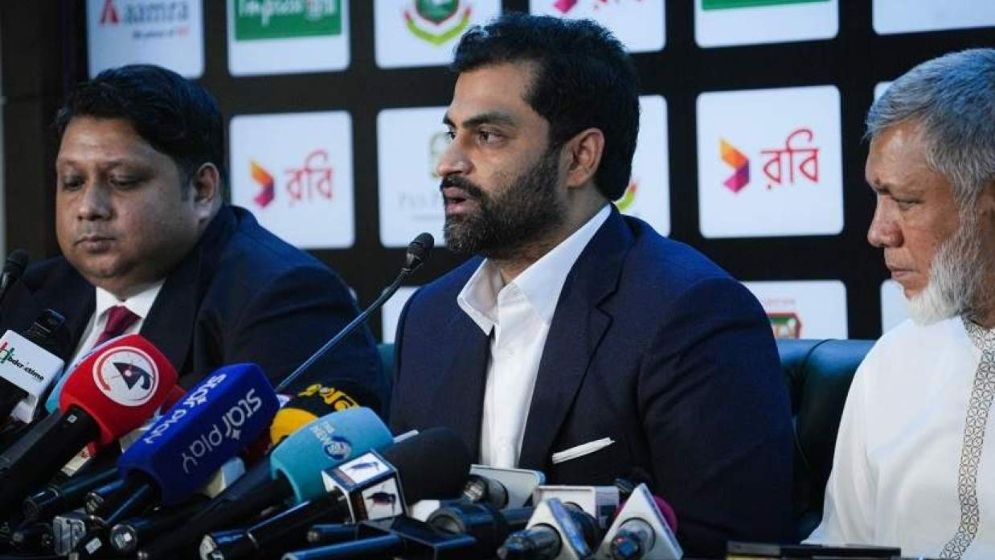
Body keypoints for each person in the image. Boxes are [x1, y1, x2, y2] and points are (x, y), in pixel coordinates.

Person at [389, 13, 794, 557]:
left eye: (487, 136)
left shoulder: (690, 314)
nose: (447, 163)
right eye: (451, 133)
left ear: (580, 158)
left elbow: (733, 546)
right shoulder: (430, 316)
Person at [0, 64, 387, 411]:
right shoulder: (35, 294)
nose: (89, 207)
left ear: (202, 190)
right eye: (72, 182)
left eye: (122, 180)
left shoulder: (283, 302)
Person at [808, 49, 995, 559]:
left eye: (906, 202)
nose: (878, 232)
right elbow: (841, 544)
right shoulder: (891, 362)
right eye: (878, 197)